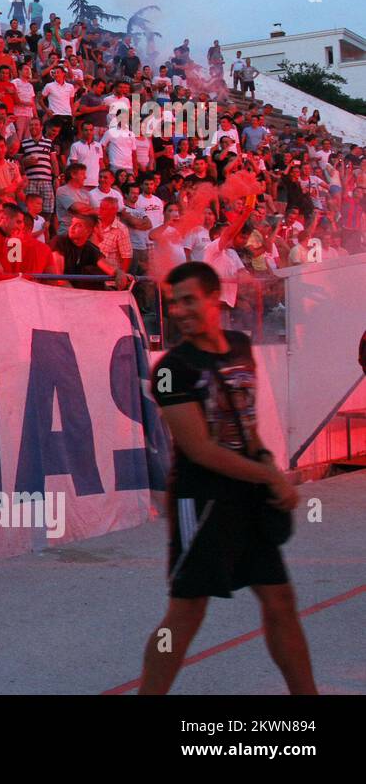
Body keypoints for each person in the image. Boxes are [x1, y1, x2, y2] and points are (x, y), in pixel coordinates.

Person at [138, 261, 313, 694]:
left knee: (280, 601)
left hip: (248, 494)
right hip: (202, 501)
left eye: (189, 300)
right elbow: (199, 449)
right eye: (174, 302)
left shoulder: (238, 345)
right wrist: (270, 478)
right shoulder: (170, 369)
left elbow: (246, 423)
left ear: (216, 298)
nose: (178, 310)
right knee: (185, 613)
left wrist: (267, 467)